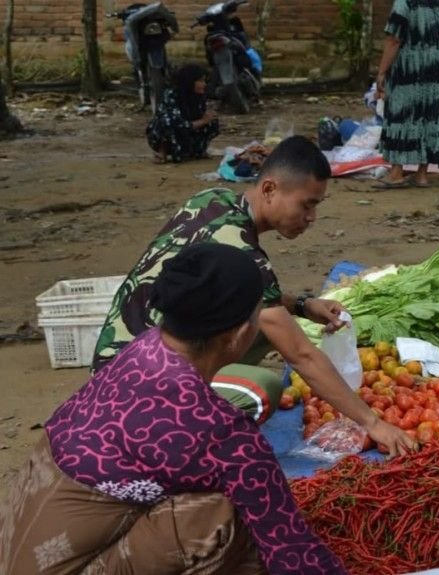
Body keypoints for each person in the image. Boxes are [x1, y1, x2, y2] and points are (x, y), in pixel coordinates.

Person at [0, 244, 347, 574]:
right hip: (66, 565)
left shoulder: (141, 349)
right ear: (240, 334)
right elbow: (293, 551)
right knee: (228, 516)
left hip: (14, 545)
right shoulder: (224, 434)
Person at [92, 135, 416, 456]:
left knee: (261, 321)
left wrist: (303, 305)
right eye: (307, 204)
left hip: (122, 357)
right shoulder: (246, 254)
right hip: (133, 391)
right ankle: (179, 447)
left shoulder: (211, 200)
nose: (311, 218)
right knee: (263, 389)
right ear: (270, 189)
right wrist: (372, 423)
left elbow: (256, 296)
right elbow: (301, 355)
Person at [374, 0, 439, 189]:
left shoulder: (404, 3)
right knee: (429, 116)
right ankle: (422, 175)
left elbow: (394, 39)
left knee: (402, 117)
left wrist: (382, 72)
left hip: (408, 72)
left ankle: (396, 173)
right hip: (435, 71)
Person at [146, 63, 219, 163]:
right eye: (200, 81)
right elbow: (177, 123)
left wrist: (205, 119)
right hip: (172, 132)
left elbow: (199, 118)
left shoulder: (198, 97)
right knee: (167, 122)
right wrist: (202, 121)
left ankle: (198, 151)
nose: (204, 84)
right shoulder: (172, 95)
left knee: (212, 120)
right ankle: (162, 152)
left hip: (187, 132)